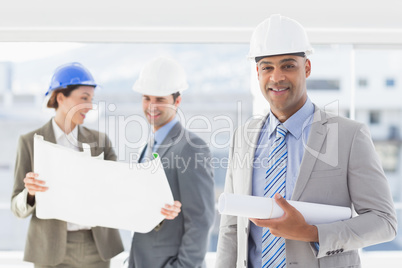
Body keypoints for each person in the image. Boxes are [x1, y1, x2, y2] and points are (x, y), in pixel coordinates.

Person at [215, 14, 397, 268]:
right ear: (257, 72)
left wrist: (312, 233)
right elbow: (231, 227)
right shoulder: (243, 138)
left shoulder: (349, 136)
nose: (276, 77)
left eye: (288, 65)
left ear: (307, 68)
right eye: (267, 67)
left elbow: (383, 222)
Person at [10, 62, 181, 268]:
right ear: (61, 97)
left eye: (91, 99)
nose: (90, 106)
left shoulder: (100, 141)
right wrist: (30, 193)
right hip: (50, 249)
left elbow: (121, 190)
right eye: (84, 98)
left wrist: (158, 211)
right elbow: (17, 208)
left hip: (96, 248)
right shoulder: (30, 142)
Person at [127, 56, 215, 268]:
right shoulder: (148, 146)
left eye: (160, 99)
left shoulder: (191, 147)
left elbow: (200, 220)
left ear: (177, 101)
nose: (151, 106)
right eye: (147, 98)